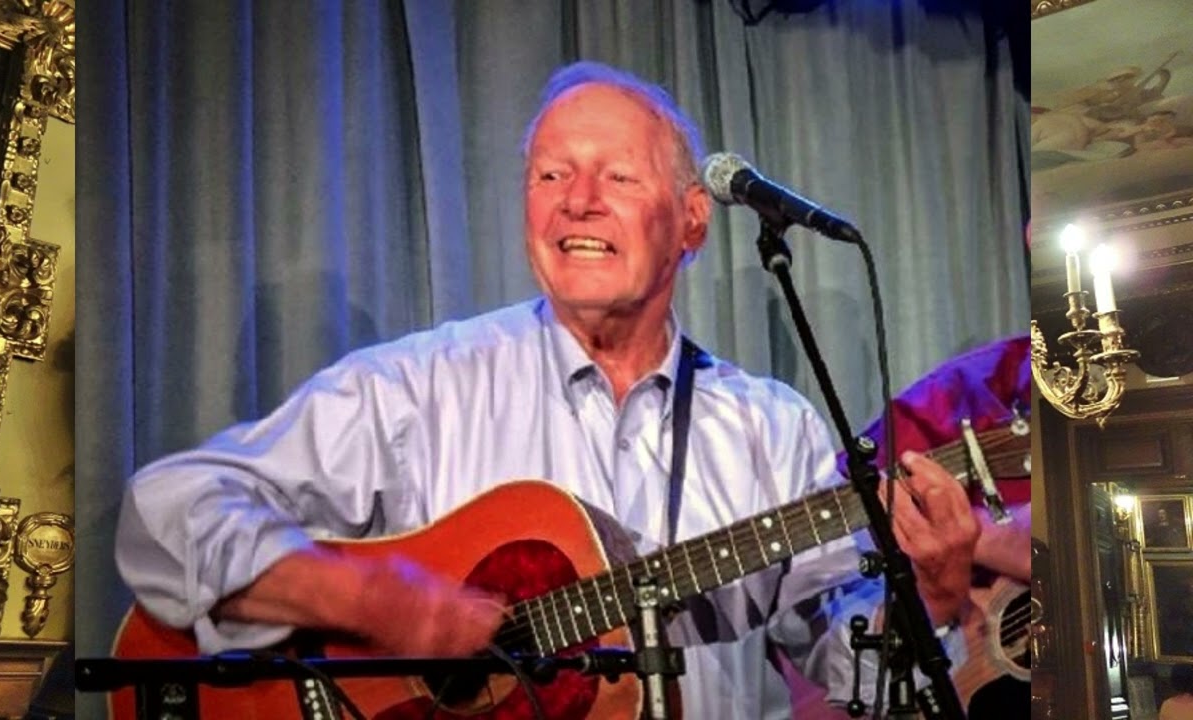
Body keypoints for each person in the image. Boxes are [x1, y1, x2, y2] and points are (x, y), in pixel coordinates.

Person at [115, 61, 978, 719]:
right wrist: (374, 604)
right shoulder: (419, 387)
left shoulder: (773, 429)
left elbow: (855, 671)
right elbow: (169, 509)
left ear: (690, 222)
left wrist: (933, 594)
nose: (579, 204)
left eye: (619, 177)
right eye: (551, 175)